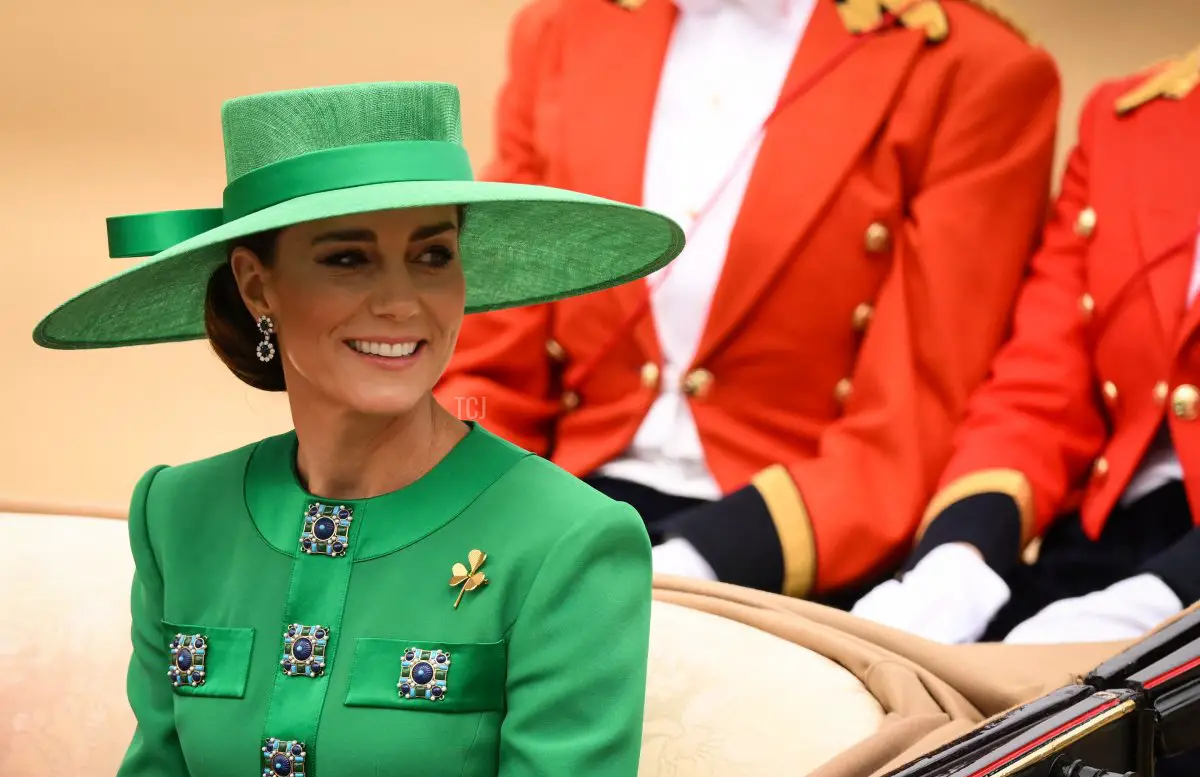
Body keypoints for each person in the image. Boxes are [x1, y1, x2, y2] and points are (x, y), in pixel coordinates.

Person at [33, 81, 685, 777]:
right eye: (349, 259)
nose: (402, 302)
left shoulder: (571, 542)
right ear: (257, 286)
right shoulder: (177, 514)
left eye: (433, 255)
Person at [435, 0, 1062, 603]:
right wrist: (456, 510)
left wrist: (690, 564)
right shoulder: (566, 29)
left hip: (778, 550)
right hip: (556, 509)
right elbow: (495, 348)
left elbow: (911, 419)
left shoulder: (969, 68)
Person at [851, 48, 1200, 648]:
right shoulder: (1132, 118)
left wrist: (1164, 597)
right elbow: (1042, 385)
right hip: (1106, 538)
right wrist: (956, 557)